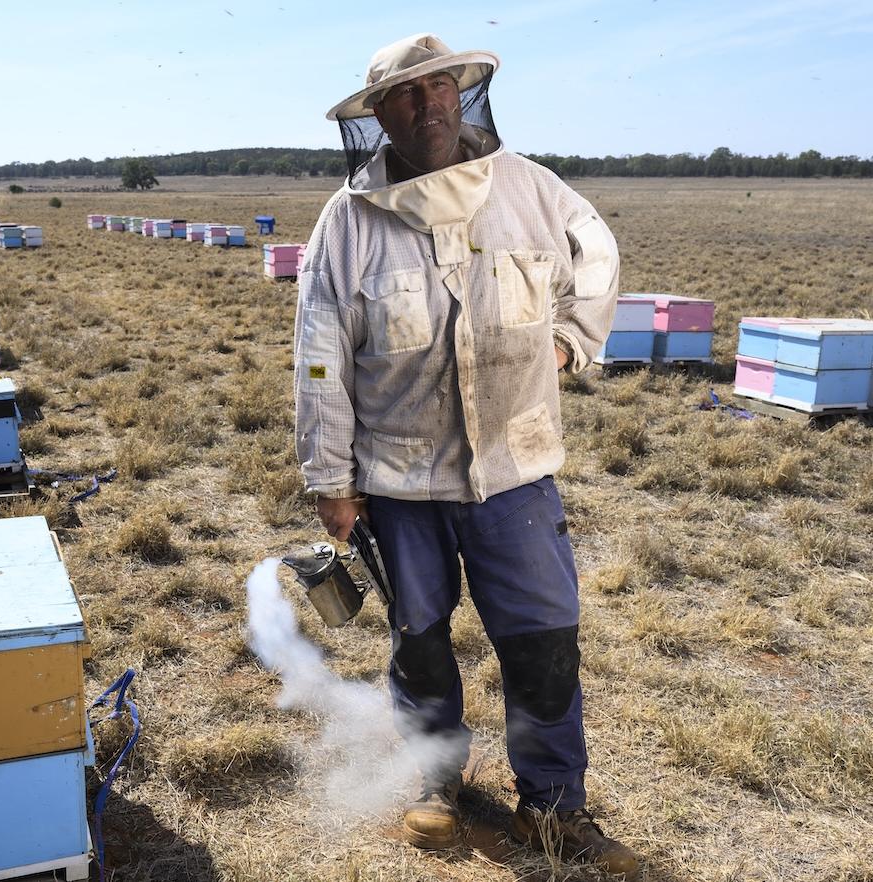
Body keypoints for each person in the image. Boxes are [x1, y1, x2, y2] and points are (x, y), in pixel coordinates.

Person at [292, 32, 639, 876]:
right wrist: (330, 480)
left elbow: (597, 258)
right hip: (400, 477)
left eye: (439, 87)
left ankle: (554, 809)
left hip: (515, 472)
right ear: (378, 117)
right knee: (419, 640)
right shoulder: (348, 222)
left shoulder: (530, 188)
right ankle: (434, 781)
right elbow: (318, 355)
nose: (428, 107)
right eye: (406, 97)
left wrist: (569, 342)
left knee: (544, 641)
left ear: (464, 92)